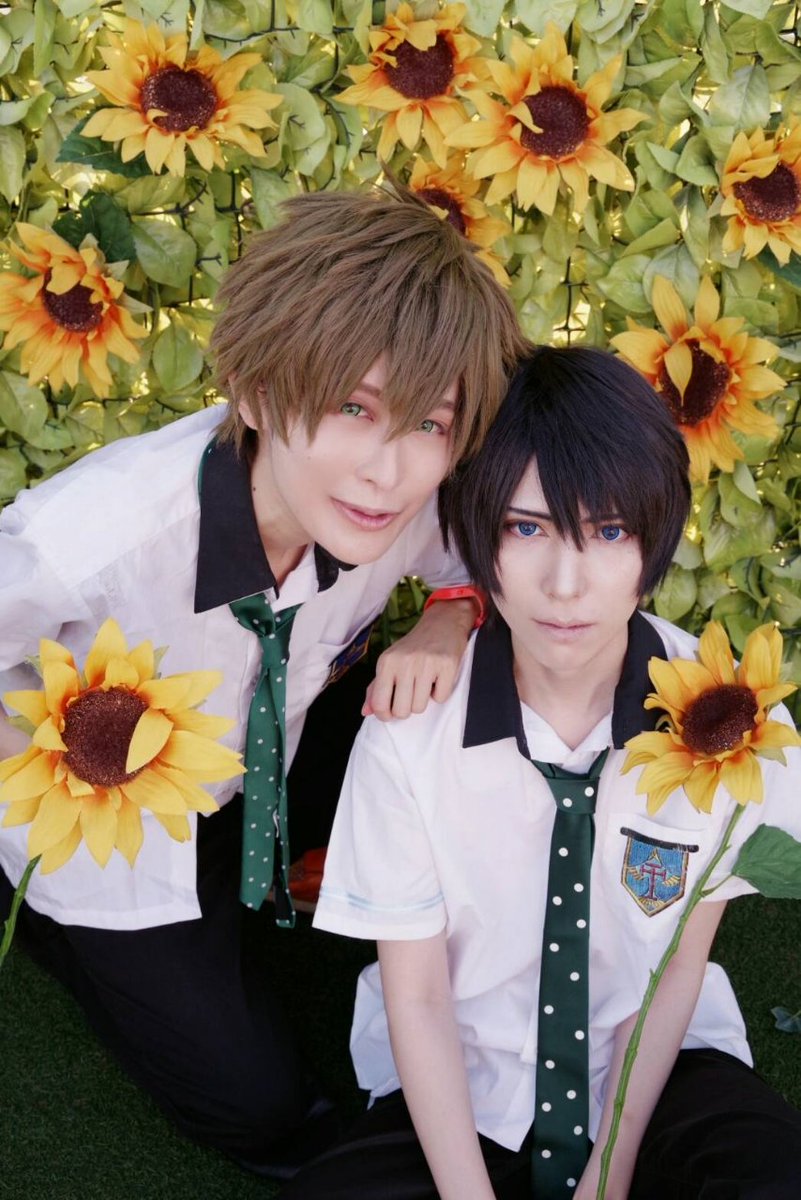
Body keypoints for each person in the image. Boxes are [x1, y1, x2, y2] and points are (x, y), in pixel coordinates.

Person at [0, 184, 525, 1176]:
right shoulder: (96, 539)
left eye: (429, 424)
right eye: (352, 408)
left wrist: (446, 622)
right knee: (261, 1108)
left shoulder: (400, 501)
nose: (386, 471)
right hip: (112, 830)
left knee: (476, 691)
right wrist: (51, 760)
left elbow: (481, 560)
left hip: (263, 759)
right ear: (252, 389)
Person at [285, 346, 801, 1200]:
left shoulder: (735, 722)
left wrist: (607, 1173)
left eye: (609, 532)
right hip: (461, 1071)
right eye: (526, 529)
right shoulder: (409, 732)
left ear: (656, 537)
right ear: (477, 536)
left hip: (656, 1063)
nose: (565, 584)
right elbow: (418, 998)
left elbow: (674, 968)